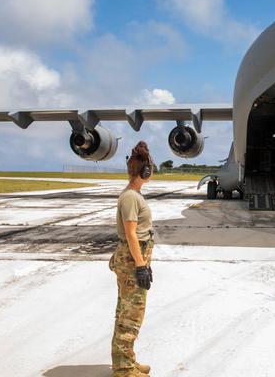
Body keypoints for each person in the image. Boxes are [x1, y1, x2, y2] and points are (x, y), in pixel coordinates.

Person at [109, 141, 155, 376]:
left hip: (135, 259)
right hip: (131, 261)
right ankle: (123, 369)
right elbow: (130, 234)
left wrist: (144, 264)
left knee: (128, 312)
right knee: (130, 316)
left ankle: (127, 360)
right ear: (145, 171)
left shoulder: (134, 195)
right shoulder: (130, 197)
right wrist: (140, 266)